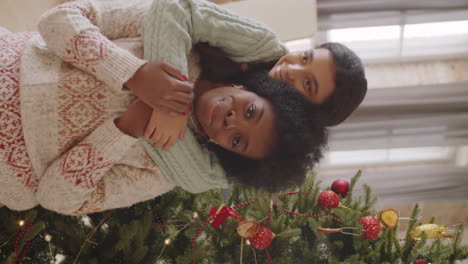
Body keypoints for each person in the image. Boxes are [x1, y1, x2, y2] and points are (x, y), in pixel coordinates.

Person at [0, 0, 326, 215]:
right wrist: (133, 74)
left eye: (238, 140)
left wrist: (125, 130)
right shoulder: (172, 38)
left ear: (228, 152)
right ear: (252, 88)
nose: (231, 122)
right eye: (251, 112)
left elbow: (57, 199)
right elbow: (56, 19)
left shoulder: (163, 169)